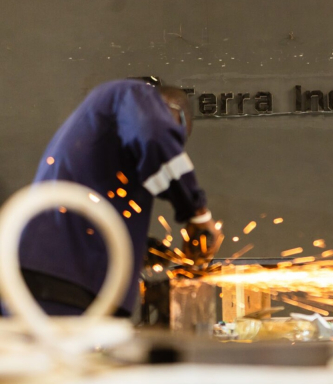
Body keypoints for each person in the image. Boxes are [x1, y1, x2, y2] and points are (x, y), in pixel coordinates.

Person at [4, 79, 222, 317]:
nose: (173, 148)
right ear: (171, 111)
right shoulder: (132, 93)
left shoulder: (103, 134)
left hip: (53, 283)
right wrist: (198, 215)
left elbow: (90, 215)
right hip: (53, 284)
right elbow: (154, 135)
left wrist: (137, 250)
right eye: (175, 138)